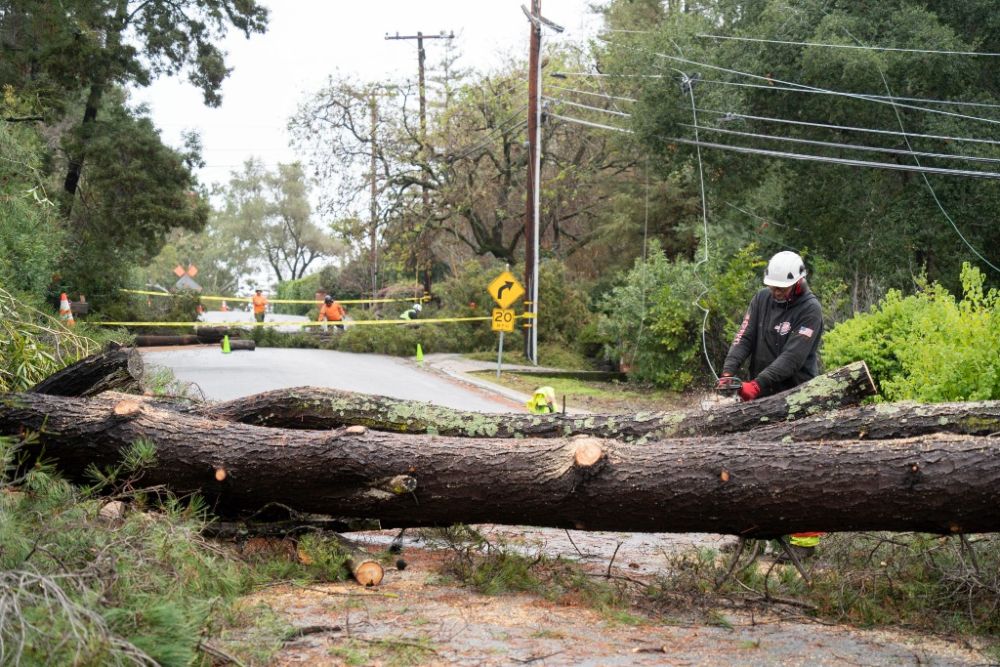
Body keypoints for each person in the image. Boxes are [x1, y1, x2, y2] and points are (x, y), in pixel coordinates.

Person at [717, 250, 825, 560]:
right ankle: (747, 536)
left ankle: (803, 545)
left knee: (797, 471)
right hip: (759, 398)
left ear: (798, 282)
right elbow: (744, 337)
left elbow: (792, 358)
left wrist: (757, 383)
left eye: (781, 288)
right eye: (772, 287)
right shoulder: (762, 299)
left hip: (796, 399)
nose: (776, 293)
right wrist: (729, 371)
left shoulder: (810, 310)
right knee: (747, 467)